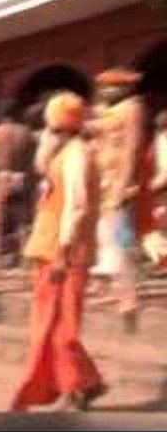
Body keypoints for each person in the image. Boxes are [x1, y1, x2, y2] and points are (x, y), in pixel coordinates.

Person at [12, 92, 107, 411]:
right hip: (51, 246)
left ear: (60, 125)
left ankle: (78, 387)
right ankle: (83, 384)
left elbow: (77, 206)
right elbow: (41, 168)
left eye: (50, 126)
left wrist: (63, 251)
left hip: (66, 251)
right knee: (50, 323)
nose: (46, 133)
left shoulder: (78, 154)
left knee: (63, 326)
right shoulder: (64, 152)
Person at [91, 68, 146, 322]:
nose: (104, 91)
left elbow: (131, 149)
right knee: (108, 241)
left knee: (123, 241)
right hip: (104, 185)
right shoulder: (108, 110)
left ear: (122, 88)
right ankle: (116, 290)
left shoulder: (131, 108)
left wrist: (122, 186)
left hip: (119, 186)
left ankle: (129, 297)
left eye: (109, 86)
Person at [0, 100, 36, 266]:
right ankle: (26, 257)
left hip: (3, 177)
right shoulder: (27, 132)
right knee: (22, 219)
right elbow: (32, 161)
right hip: (21, 177)